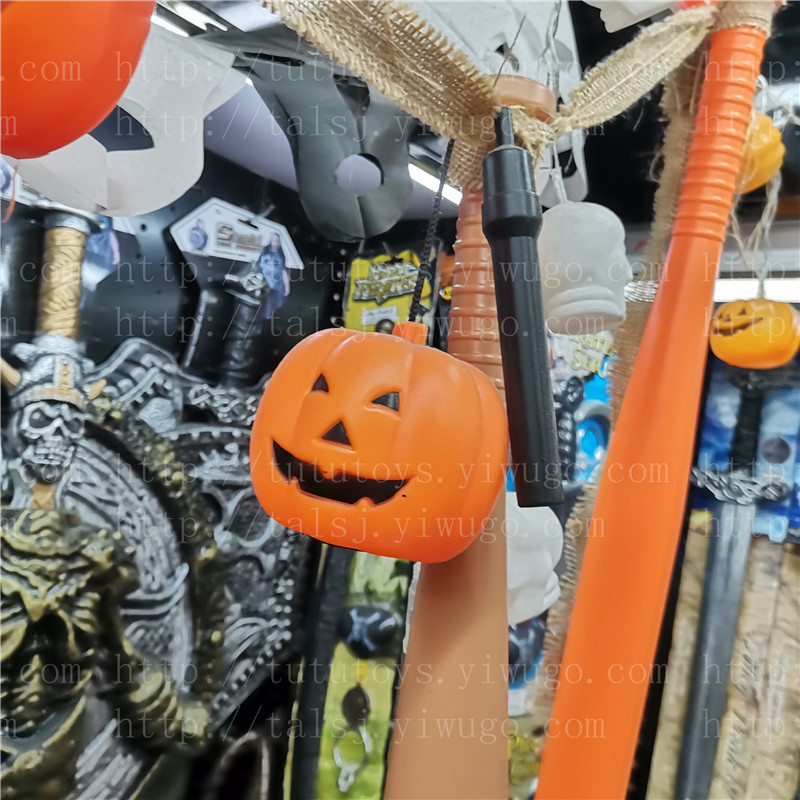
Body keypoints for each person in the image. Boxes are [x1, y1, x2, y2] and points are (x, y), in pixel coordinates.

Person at [258, 233, 290, 319]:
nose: (276, 242)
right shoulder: (264, 252)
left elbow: (283, 271)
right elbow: (259, 267)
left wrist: (287, 286)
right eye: (274, 240)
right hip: (264, 285)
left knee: (272, 308)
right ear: (270, 241)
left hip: (276, 287)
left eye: (277, 241)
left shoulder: (281, 255)